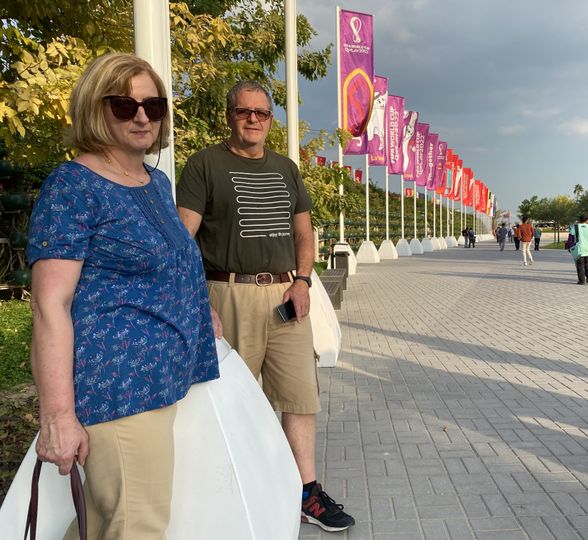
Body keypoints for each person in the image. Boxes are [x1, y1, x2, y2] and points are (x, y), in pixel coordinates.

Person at [26, 53, 220, 539]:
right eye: (123, 104)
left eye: (153, 106)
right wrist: (57, 417)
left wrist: (202, 313)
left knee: (108, 522)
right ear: (95, 108)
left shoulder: (155, 183)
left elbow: (170, 268)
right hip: (119, 391)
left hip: (161, 384)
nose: (140, 116)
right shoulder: (72, 187)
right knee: (137, 527)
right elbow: (50, 305)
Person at [176, 80, 355, 532]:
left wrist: (303, 281)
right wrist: (200, 301)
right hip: (228, 292)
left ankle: (306, 493)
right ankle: (239, 492)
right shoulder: (205, 165)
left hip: (286, 296)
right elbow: (183, 239)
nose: (253, 119)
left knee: (300, 397)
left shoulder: (286, 169)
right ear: (229, 116)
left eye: (262, 113)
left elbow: (303, 233)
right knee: (236, 398)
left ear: (271, 119)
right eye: (244, 111)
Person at [570, 214, 588, 284]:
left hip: (579, 249)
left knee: (580, 265)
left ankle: (581, 280)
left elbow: (570, 239)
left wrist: (570, 248)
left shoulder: (575, 227)